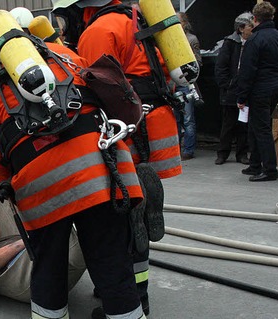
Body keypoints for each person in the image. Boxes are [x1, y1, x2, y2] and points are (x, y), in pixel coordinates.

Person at [0, 20, 145, 319]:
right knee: (112, 263)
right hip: (104, 173)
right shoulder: (65, 55)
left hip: (41, 188)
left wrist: (13, 182)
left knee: (48, 267)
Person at [52, 1, 183, 317]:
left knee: (123, 217)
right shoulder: (137, 18)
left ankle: (133, 296)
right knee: (137, 213)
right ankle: (134, 288)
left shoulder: (99, 30)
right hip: (157, 123)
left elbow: (94, 86)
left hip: (127, 131)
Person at [236, 1, 278, 182]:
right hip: (276, 86)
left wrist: (241, 96)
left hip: (260, 89)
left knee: (261, 128)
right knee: (258, 126)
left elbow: (247, 71)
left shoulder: (254, 40)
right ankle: (255, 164)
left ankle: (269, 169)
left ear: (254, 19)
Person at [214, 12, 254, 165]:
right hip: (231, 90)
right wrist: (227, 84)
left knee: (243, 124)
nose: (252, 29)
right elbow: (221, 66)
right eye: (250, 26)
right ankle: (223, 153)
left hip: (245, 89)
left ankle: (242, 153)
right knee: (228, 123)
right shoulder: (230, 43)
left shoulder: (253, 42)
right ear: (241, 28)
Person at [175, 12, 202, 160]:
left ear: (185, 23)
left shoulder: (191, 39)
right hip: (172, 83)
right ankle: (176, 148)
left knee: (188, 118)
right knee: (175, 119)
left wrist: (189, 72)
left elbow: (198, 62)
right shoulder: (169, 38)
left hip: (185, 82)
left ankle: (188, 149)